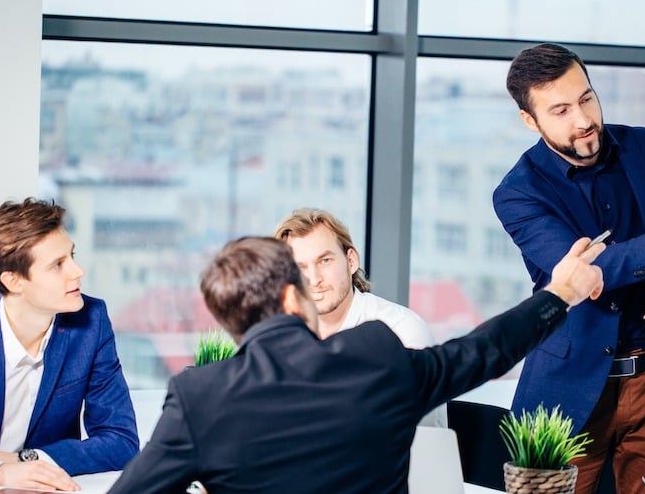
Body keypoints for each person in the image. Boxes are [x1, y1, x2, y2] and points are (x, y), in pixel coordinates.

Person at [108, 235, 605, 494]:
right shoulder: (376, 357)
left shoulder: (198, 395)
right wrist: (561, 292)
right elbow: (484, 350)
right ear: (290, 296)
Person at [493, 43, 645, 493]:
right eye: (560, 110)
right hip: (569, 385)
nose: (582, 120)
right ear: (531, 121)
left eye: (586, 98)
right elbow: (584, 275)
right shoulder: (517, 195)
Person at [0, 198, 138, 490]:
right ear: (13, 281)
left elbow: (122, 441)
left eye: (71, 255)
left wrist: (26, 459)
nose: (77, 271)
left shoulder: (90, 323)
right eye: (57, 265)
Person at [273, 208, 446, 426]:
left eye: (325, 261)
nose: (313, 279)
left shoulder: (403, 332)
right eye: (300, 267)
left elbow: (421, 441)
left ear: (351, 261)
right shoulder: (284, 341)